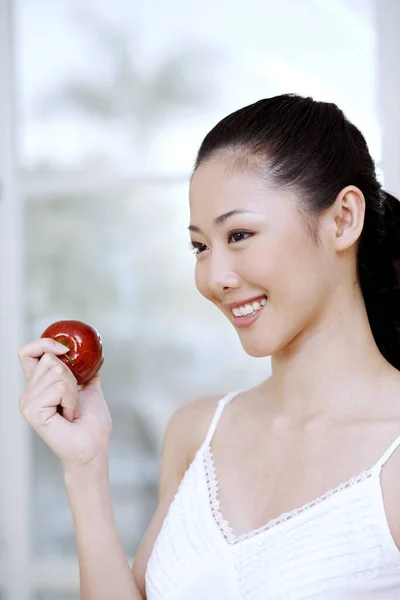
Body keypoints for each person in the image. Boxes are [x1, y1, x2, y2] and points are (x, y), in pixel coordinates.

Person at [18, 94, 400, 600]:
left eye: (239, 234)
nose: (214, 277)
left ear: (343, 219)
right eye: (200, 246)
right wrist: (84, 468)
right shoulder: (196, 433)